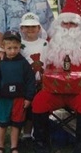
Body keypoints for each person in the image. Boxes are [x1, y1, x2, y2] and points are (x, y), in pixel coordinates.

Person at [0, 0, 54, 148]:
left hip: (33, 53)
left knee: (28, 91)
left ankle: (26, 130)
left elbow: (49, 22)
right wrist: (1, 51)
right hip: (10, 51)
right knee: (4, 92)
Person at [31, 1, 81, 153]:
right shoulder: (50, 42)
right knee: (39, 101)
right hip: (53, 91)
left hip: (80, 91)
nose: (68, 27)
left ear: (80, 26)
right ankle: (41, 143)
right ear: (58, 25)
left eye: (72, 24)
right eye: (64, 23)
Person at [0, 30, 36, 153]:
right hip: (3, 99)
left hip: (19, 99)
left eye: (16, 47)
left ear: (20, 46)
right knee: (2, 124)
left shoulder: (24, 63)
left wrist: (28, 98)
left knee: (16, 124)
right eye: (9, 48)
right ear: (3, 47)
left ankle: (14, 147)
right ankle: (0, 146)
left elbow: (31, 81)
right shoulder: (1, 63)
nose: (13, 51)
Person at [19, 12, 48, 143]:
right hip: (25, 82)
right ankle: (25, 133)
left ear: (39, 28)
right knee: (26, 108)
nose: (30, 29)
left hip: (41, 82)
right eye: (27, 26)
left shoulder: (44, 44)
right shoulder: (20, 45)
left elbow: (49, 61)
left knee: (38, 107)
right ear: (22, 29)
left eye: (33, 26)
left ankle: (39, 132)